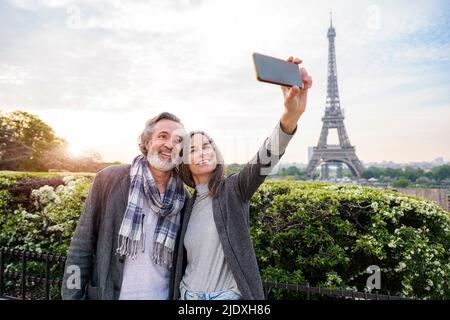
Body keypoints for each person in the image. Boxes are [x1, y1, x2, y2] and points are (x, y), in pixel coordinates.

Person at [170, 56, 312, 300]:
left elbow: (265, 158)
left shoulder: (233, 189)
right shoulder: (186, 204)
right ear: (184, 163)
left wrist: (290, 115)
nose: (203, 153)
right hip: (187, 296)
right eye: (192, 150)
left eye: (207, 146)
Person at [62, 112, 189, 300]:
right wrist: (71, 296)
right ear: (146, 142)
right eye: (163, 136)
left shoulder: (183, 197)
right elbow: (81, 246)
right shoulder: (109, 179)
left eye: (178, 140)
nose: (170, 144)